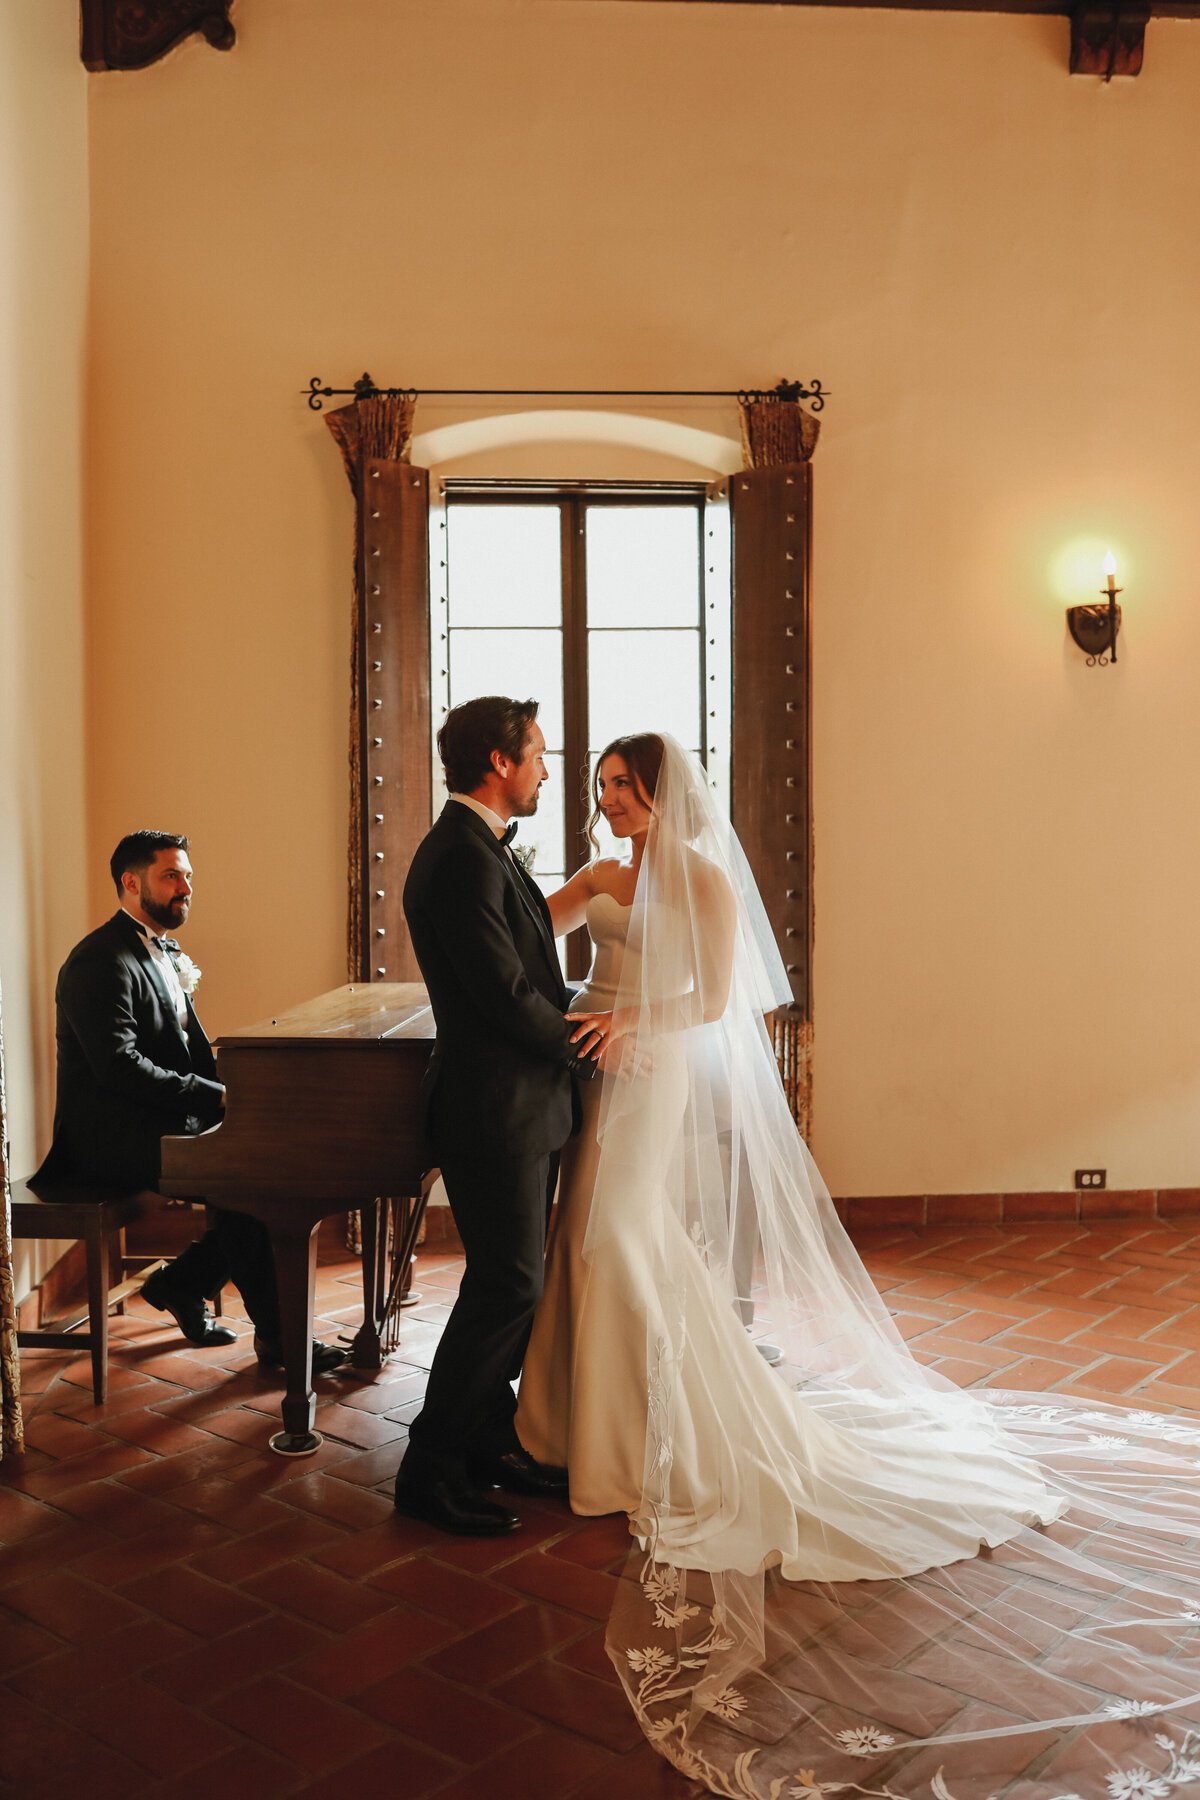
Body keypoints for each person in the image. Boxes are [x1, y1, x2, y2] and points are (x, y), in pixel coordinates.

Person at [516, 733, 1200, 1799]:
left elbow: (710, 1004)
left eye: (622, 786)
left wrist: (620, 1017)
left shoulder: (699, 877)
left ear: (660, 794)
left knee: (622, 1242)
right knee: (586, 1244)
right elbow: (527, 932)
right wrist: (541, 969)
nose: (606, 802)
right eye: (599, 785)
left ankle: (665, 1437)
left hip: (653, 1081)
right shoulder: (602, 876)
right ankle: (576, 1430)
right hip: (599, 1082)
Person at [396, 696, 605, 1537]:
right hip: (494, 1109)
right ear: (499, 762)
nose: (548, 772)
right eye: (539, 756)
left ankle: (486, 1438)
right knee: (506, 1285)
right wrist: (585, 1040)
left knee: (513, 1282)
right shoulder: (458, 858)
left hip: (519, 1104)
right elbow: (501, 996)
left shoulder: (481, 848)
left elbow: (525, 964)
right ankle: (429, 1468)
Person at [35, 830, 344, 1373]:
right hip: (109, 1138)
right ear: (131, 883)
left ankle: (184, 1287)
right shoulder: (97, 962)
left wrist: (246, 1089)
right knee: (247, 1184)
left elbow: (189, 1053)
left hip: (166, 1120)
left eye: (188, 877)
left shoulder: (161, 950)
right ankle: (271, 1335)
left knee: (261, 1170)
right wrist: (216, 1097)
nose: (185, 888)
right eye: (171, 876)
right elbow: (118, 1067)